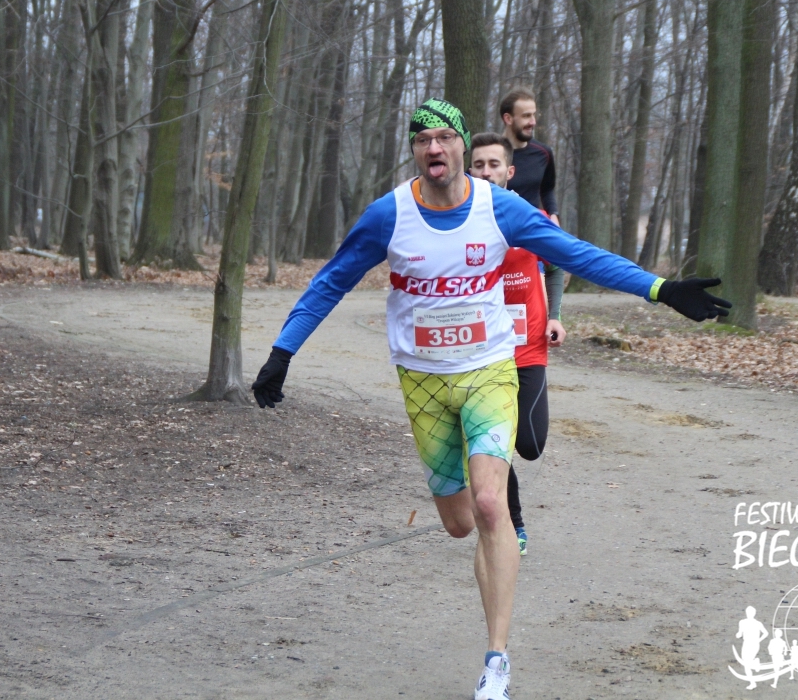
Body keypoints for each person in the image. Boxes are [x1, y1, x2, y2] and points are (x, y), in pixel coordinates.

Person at [251, 98, 730, 700]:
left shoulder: (499, 208)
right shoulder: (388, 215)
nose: (434, 148)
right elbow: (330, 282)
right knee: (458, 524)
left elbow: (575, 253)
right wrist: (283, 352)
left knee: (488, 504)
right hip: (423, 380)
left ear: (460, 144)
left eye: (443, 137)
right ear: (414, 151)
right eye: (422, 139)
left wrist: (659, 289)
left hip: (489, 371)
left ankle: (496, 662)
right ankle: (484, 549)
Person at [469, 132, 566, 557]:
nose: (486, 172)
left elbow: (557, 265)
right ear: (469, 170)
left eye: (494, 165)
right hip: (482, 352)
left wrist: (556, 314)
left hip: (528, 347)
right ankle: (512, 523)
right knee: (496, 443)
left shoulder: (532, 217)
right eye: (478, 165)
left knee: (529, 444)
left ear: (509, 172)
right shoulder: (459, 222)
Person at [499, 88, 558, 225]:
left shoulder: (543, 153)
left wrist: (553, 215)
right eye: (526, 116)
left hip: (529, 229)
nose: (533, 122)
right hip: (496, 229)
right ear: (508, 119)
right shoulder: (488, 153)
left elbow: (547, 189)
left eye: (533, 115)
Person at [736, 606, 769, 690]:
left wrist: (758, 640)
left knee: (746, 665)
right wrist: (759, 640)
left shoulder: (744, 622)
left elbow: (766, 633)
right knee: (746, 663)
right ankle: (755, 663)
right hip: (749, 644)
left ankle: (752, 682)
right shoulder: (754, 623)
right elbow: (740, 633)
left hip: (750, 644)